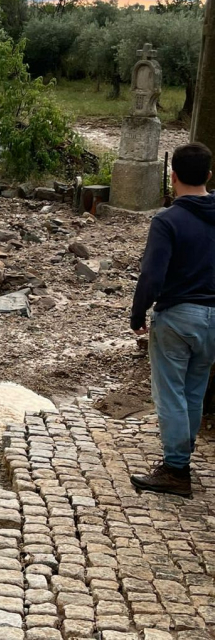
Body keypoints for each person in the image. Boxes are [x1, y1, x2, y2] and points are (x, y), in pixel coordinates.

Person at [129, 142, 215, 498]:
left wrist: (137, 314)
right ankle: (181, 456)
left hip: (178, 317)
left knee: (171, 395)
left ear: (173, 176)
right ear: (209, 176)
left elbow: (152, 275)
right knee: (194, 392)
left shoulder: (167, 221)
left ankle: (176, 469)